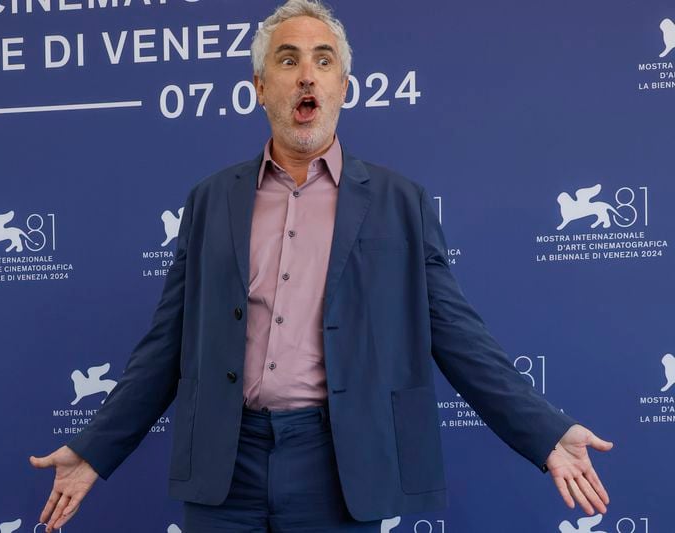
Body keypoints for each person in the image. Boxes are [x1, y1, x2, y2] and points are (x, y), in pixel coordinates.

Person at [30, 1, 613, 531]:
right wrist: (93, 450)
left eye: (323, 60)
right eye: (288, 61)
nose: (307, 74)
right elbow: (166, 344)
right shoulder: (210, 200)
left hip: (339, 466)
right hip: (223, 468)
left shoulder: (399, 202)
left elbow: (457, 333)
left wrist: (544, 432)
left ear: (343, 86)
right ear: (260, 87)